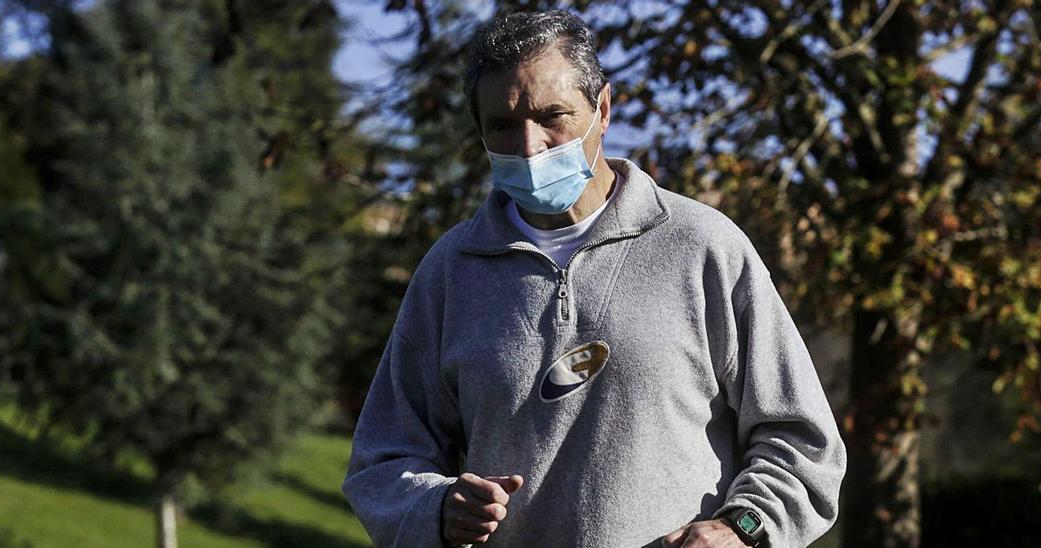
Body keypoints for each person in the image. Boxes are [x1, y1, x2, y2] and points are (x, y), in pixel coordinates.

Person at [342, 9, 846, 548]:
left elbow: (803, 444)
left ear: (602, 109)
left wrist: (741, 528)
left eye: (552, 116)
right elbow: (383, 460)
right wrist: (434, 507)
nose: (530, 146)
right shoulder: (451, 270)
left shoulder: (704, 247)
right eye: (503, 126)